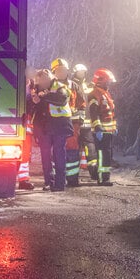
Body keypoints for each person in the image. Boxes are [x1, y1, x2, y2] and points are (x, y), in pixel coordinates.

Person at [30, 68, 73, 192]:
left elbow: (62, 99)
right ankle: (49, 182)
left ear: (50, 78)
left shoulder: (60, 87)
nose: (42, 83)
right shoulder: (36, 89)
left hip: (59, 126)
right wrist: (34, 101)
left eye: (44, 80)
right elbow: (33, 108)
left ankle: (60, 183)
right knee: (45, 155)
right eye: (40, 81)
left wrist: (44, 97)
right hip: (44, 127)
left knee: (59, 154)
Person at [52, 57, 85, 187]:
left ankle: (72, 178)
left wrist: (80, 120)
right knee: (57, 151)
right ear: (54, 72)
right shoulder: (51, 85)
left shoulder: (73, 85)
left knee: (72, 150)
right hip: (56, 124)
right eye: (59, 70)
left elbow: (82, 104)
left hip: (72, 124)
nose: (62, 72)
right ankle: (57, 178)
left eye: (64, 70)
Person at [88, 68, 117, 186]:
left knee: (107, 154)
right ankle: (102, 178)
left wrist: (114, 127)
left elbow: (110, 112)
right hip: (101, 130)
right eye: (107, 81)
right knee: (102, 154)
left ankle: (105, 177)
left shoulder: (105, 93)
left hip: (108, 130)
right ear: (100, 81)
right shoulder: (94, 94)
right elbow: (93, 112)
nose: (109, 84)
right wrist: (97, 127)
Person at [72, 63, 96, 180]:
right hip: (74, 123)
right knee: (74, 150)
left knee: (91, 149)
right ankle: (72, 176)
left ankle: (94, 173)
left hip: (86, 124)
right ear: (75, 73)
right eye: (79, 72)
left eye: (83, 72)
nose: (81, 74)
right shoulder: (71, 85)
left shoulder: (87, 86)